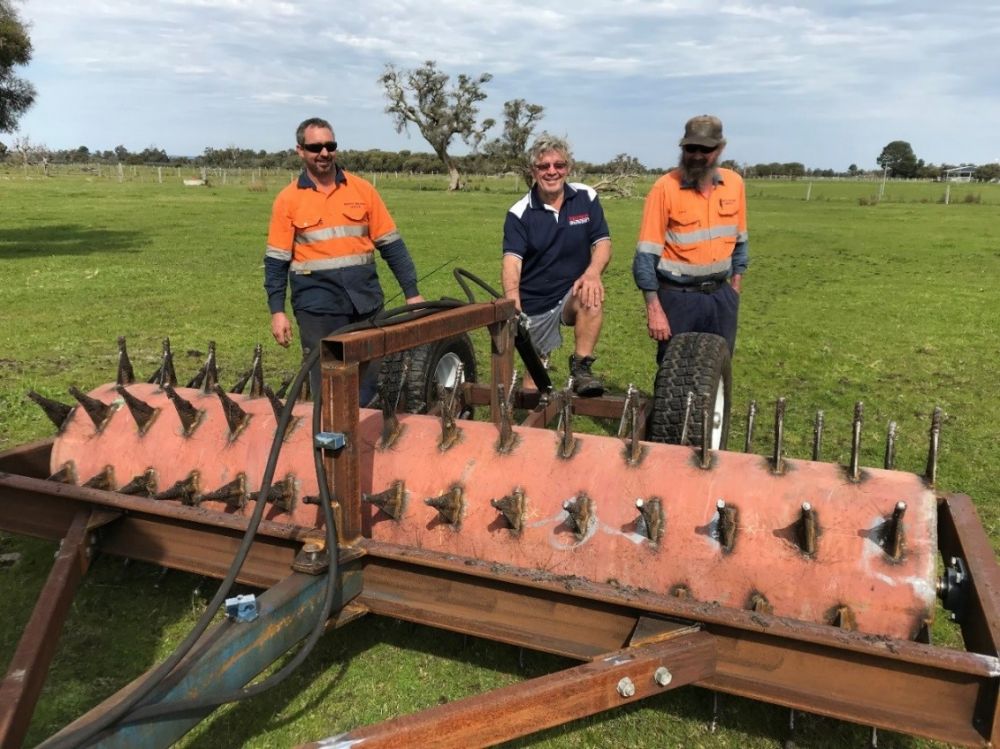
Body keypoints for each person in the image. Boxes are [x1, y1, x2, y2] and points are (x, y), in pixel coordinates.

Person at [264, 117, 423, 402]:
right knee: (331, 385)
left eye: (330, 145)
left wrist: (412, 293)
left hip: (365, 302)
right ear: (300, 150)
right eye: (315, 147)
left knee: (370, 381)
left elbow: (392, 246)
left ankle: (366, 438)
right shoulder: (288, 200)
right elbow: (276, 262)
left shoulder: (362, 190)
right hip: (319, 309)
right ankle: (332, 443)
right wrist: (277, 311)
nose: (324, 153)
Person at [501, 134, 612, 396]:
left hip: (571, 291)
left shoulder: (586, 197)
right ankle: (535, 426)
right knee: (536, 376)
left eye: (559, 165)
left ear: (568, 168)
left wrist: (593, 273)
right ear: (533, 171)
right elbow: (511, 262)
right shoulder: (519, 213)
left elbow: (603, 244)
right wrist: (512, 300)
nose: (552, 172)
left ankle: (581, 368)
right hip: (536, 301)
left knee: (591, 295)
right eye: (544, 166)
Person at [632, 114, 748, 362]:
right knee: (673, 370)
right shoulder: (665, 188)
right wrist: (654, 309)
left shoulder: (734, 184)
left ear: (719, 149)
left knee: (718, 367)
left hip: (721, 296)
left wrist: (735, 287)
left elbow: (741, 241)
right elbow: (645, 255)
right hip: (678, 297)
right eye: (690, 148)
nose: (696, 155)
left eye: (705, 149)